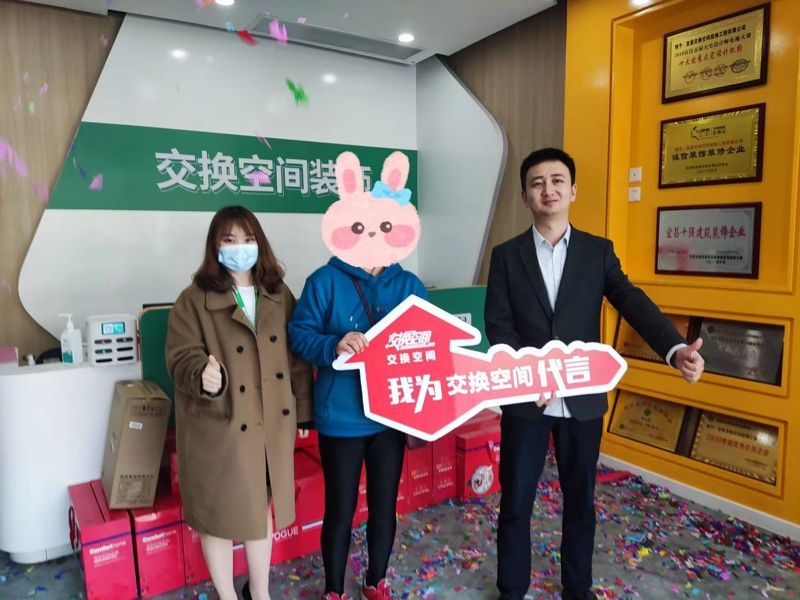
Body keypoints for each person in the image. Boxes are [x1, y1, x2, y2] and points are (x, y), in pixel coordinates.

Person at [484, 148, 705, 600]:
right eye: (537, 183)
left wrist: (674, 347)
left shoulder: (597, 252)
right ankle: (512, 589)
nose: (548, 189)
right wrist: (531, 373)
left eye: (557, 181)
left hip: (583, 399)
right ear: (525, 196)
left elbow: (631, 301)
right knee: (516, 501)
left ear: (573, 191)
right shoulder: (506, 255)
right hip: (528, 398)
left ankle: (577, 588)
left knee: (581, 501)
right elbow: (499, 325)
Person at [288, 150, 426, 600]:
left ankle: (375, 581)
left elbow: (426, 345)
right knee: (341, 510)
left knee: (384, 507)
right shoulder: (323, 282)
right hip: (341, 416)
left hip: (391, 418)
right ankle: (334, 590)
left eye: (383, 226)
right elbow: (299, 334)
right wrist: (333, 345)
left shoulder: (408, 285)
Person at [166, 205, 313, 600]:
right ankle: (227, 595)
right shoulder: (192, 301)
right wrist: (202, 374)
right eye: (229, 240)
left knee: (258, 509)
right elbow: (180, 357)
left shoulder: (278, 294)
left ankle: (259, 592)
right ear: (215, 246)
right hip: (219, 425)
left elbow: (297, 358)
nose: (239, 248)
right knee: (215, 517)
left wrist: (304, 411)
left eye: (247, 239)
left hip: (269, 423)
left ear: (259, 242)